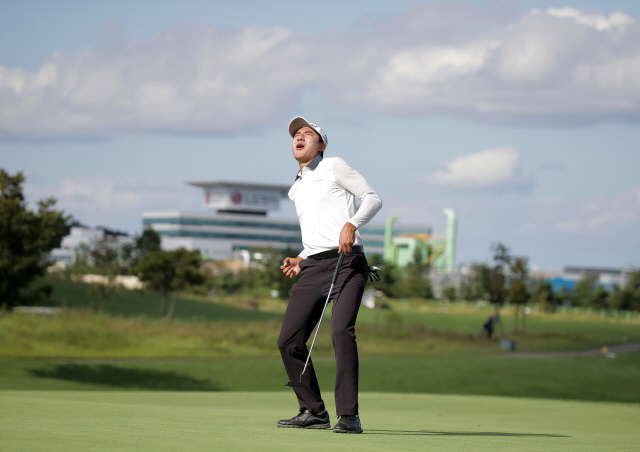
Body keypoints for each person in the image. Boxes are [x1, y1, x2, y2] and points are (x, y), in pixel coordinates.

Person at [277, 117, 382, 434]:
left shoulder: (334, 166)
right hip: (312, 268)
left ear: (321, 145)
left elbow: (373, 199)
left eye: (307, 133)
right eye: (296, 134)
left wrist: (353, 224)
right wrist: (301, 257)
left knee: (340, 333)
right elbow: (317, 233)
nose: (299, 137)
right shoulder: (296, 187)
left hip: (346, 263)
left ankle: (349, 416)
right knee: (288, 341)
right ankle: (313, 410)